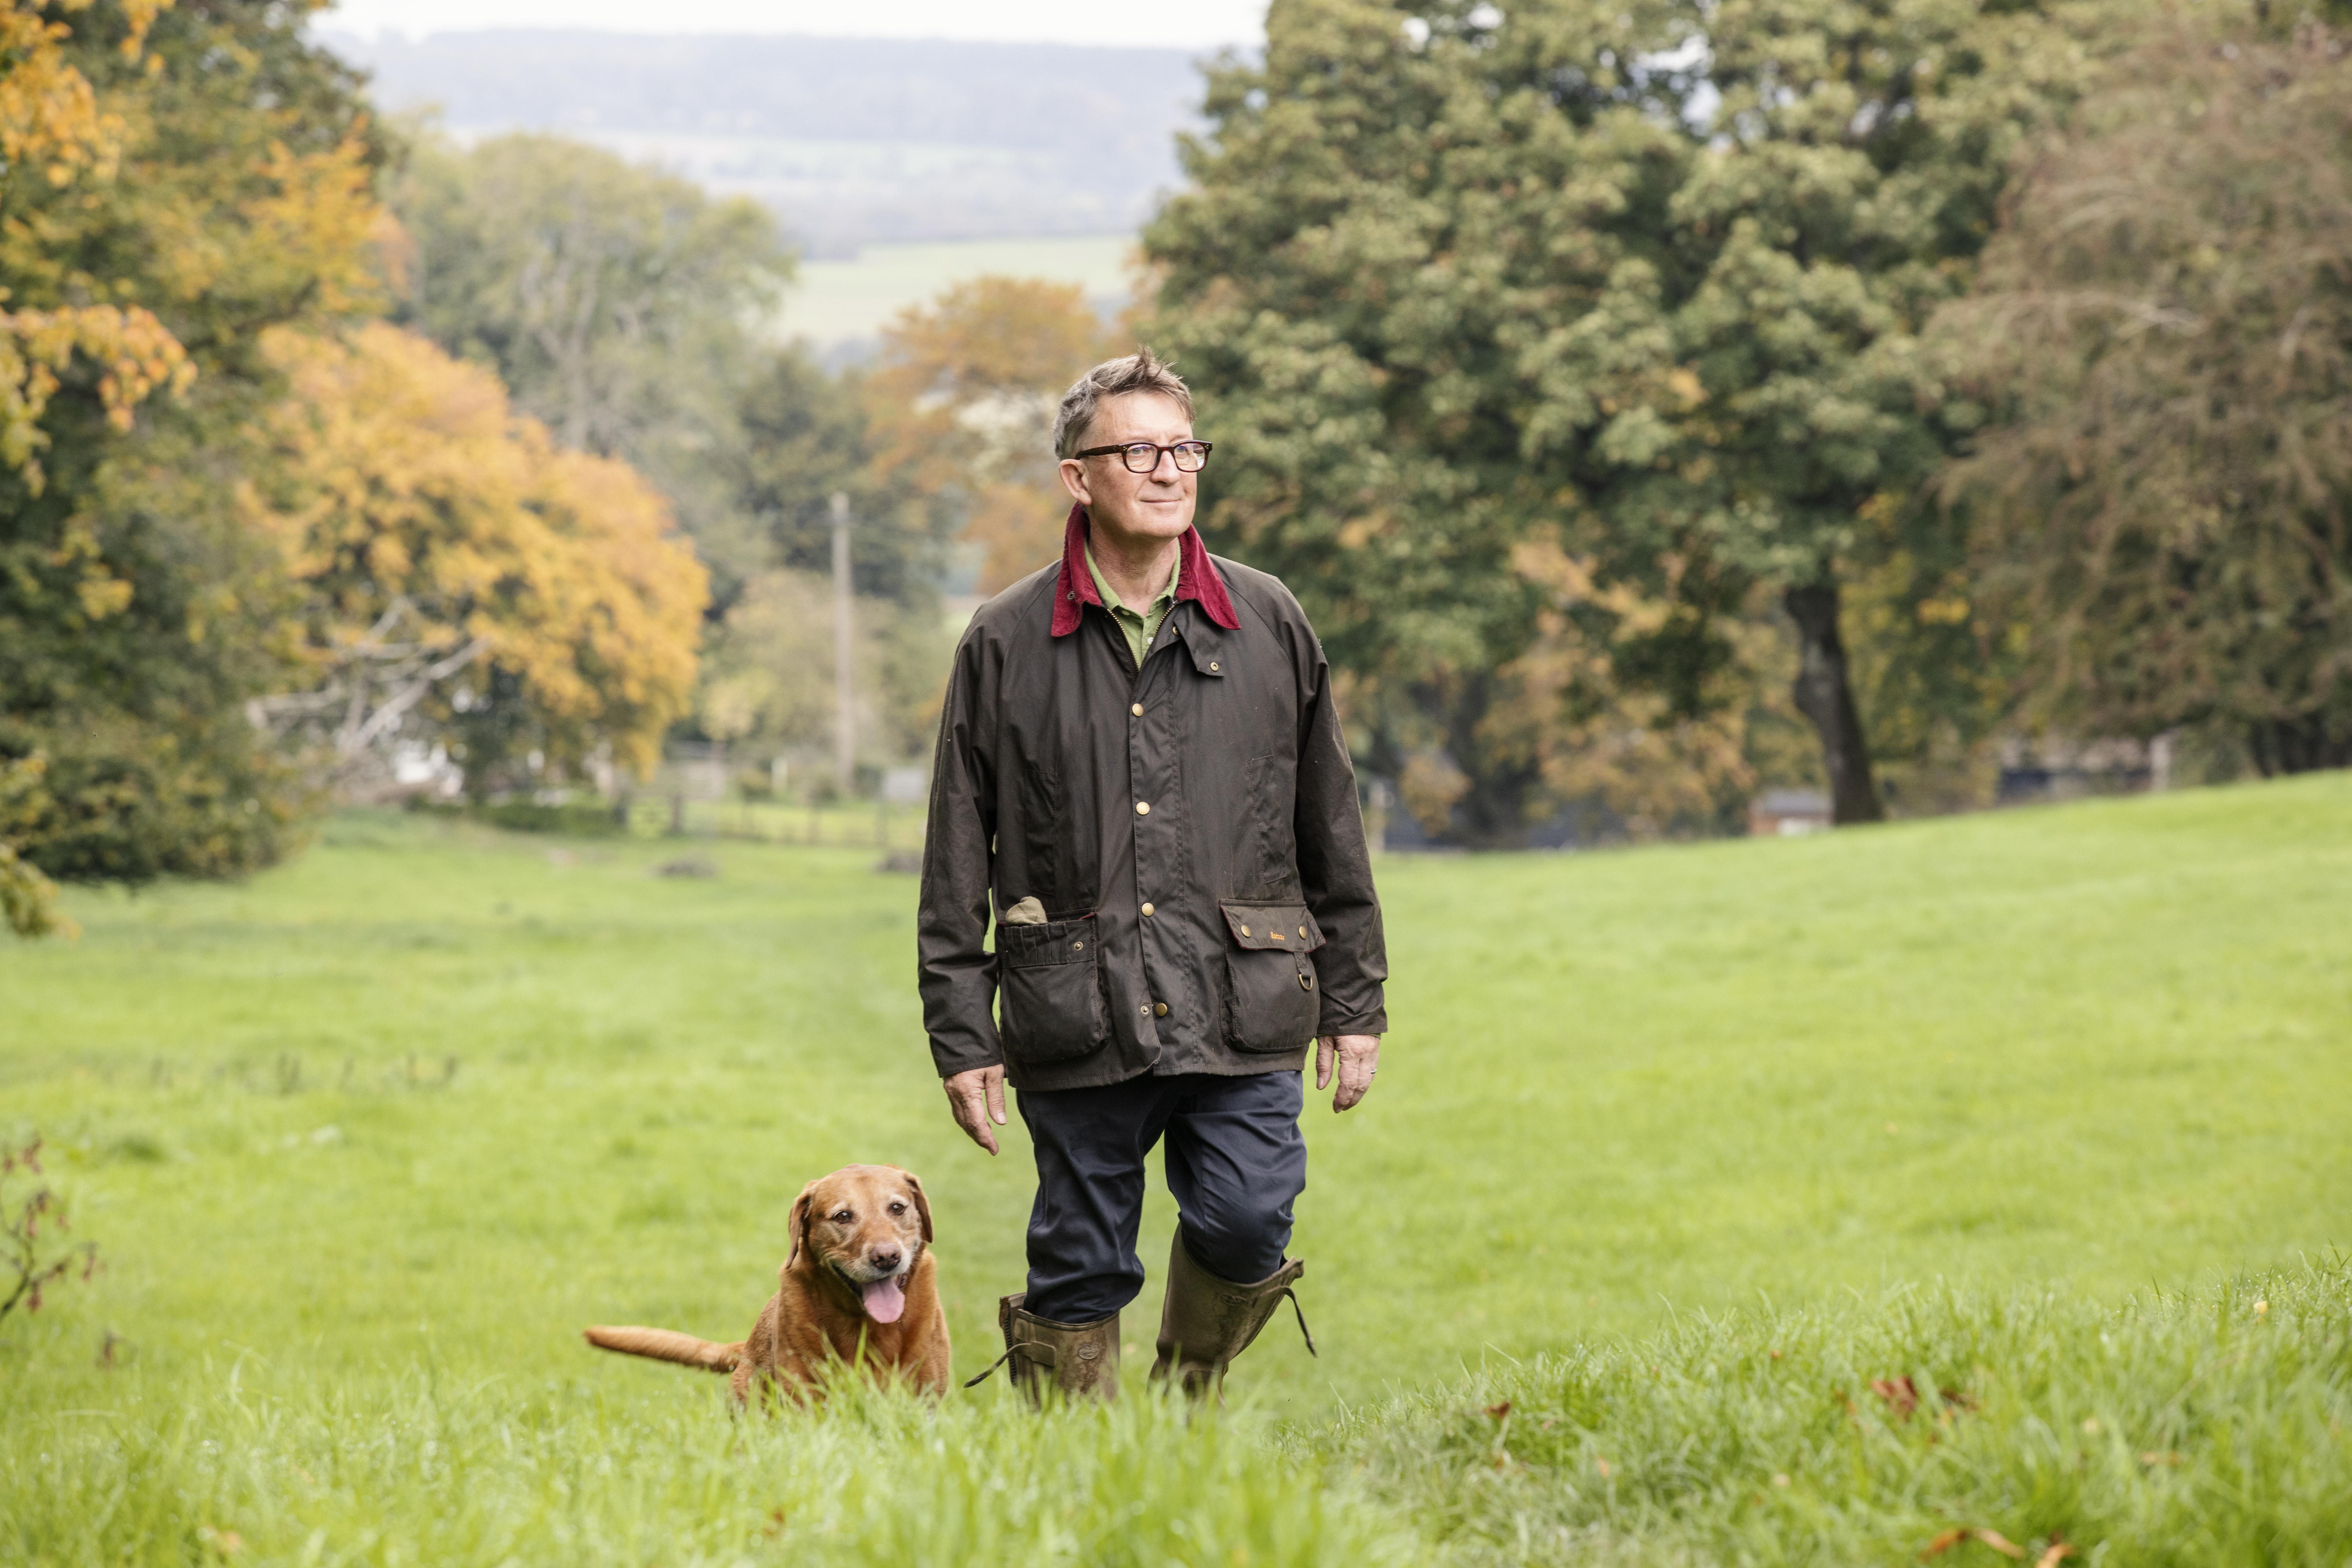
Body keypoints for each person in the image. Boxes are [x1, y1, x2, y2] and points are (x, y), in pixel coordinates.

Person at [917, 349, 1388, 1401]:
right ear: (1077, 476)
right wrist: (962, 1034)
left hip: (1247, 995)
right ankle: (1077, 1481)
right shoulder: (1003, 640)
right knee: (1081, 1258)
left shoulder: (1269, 621)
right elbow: (957, 850)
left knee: (1249, 1215)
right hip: (1073, 1006)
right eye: (1139, 449)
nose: (1169, 470)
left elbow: (1331, 825)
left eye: (1185, 449)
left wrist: (1355, 1003)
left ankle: (1187, 1400)